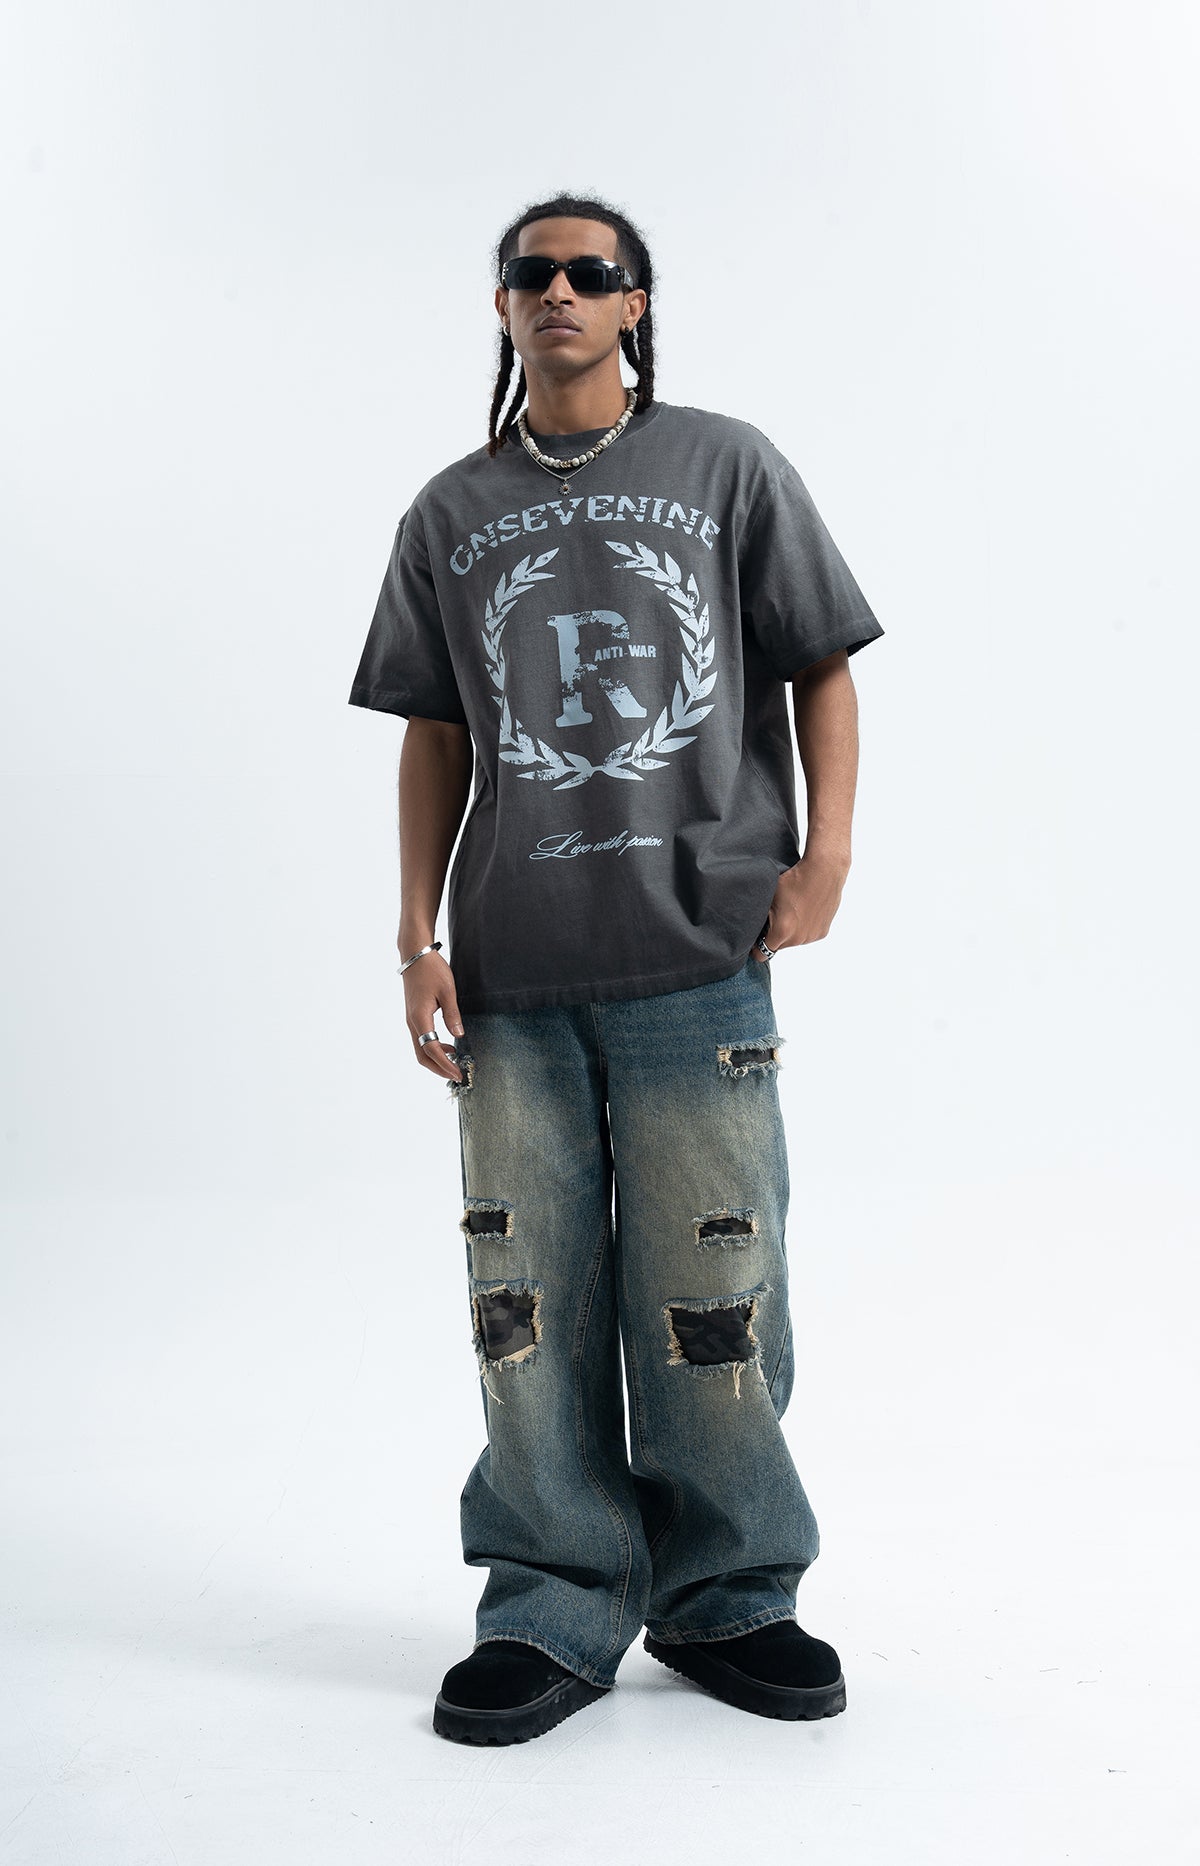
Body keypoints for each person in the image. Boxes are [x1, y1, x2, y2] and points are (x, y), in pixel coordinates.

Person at [348, 192, 884, 1746]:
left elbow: (822, 663)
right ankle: (553, 1599)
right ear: (501, 306)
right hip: (514, 971)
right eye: (534, 273)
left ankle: (731, 1594)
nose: (561, 291)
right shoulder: (450, 511)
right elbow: (433, 729)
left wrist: (828, 854)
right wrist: (416, 935)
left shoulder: (726, 466)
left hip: (698, 952)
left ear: (637, 303)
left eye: (594, 272)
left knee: (716, 1284)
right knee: (524, 1299)